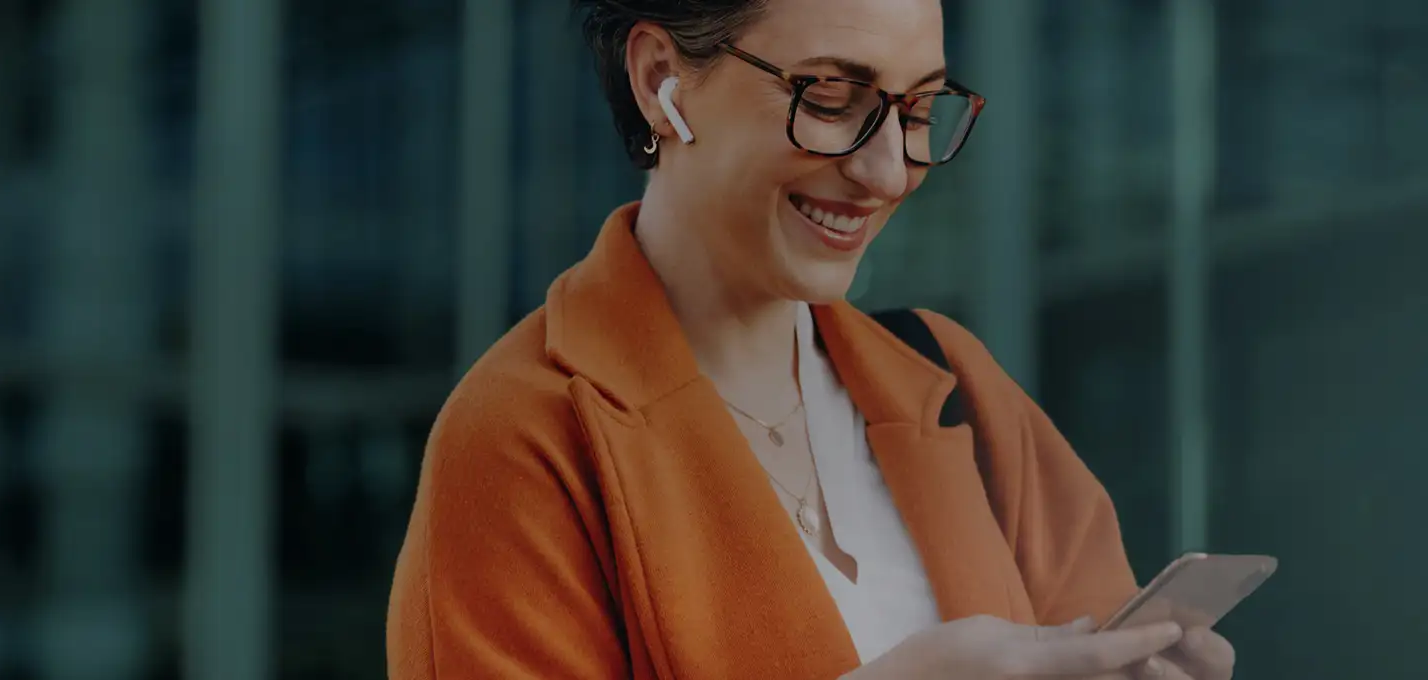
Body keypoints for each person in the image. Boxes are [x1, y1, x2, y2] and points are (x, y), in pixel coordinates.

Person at [387, 0, 1238, 678]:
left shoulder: (953, 381)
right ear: (659, 79)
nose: (887, 172)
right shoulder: (521, 440)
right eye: (830, 99)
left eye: (916, 110)